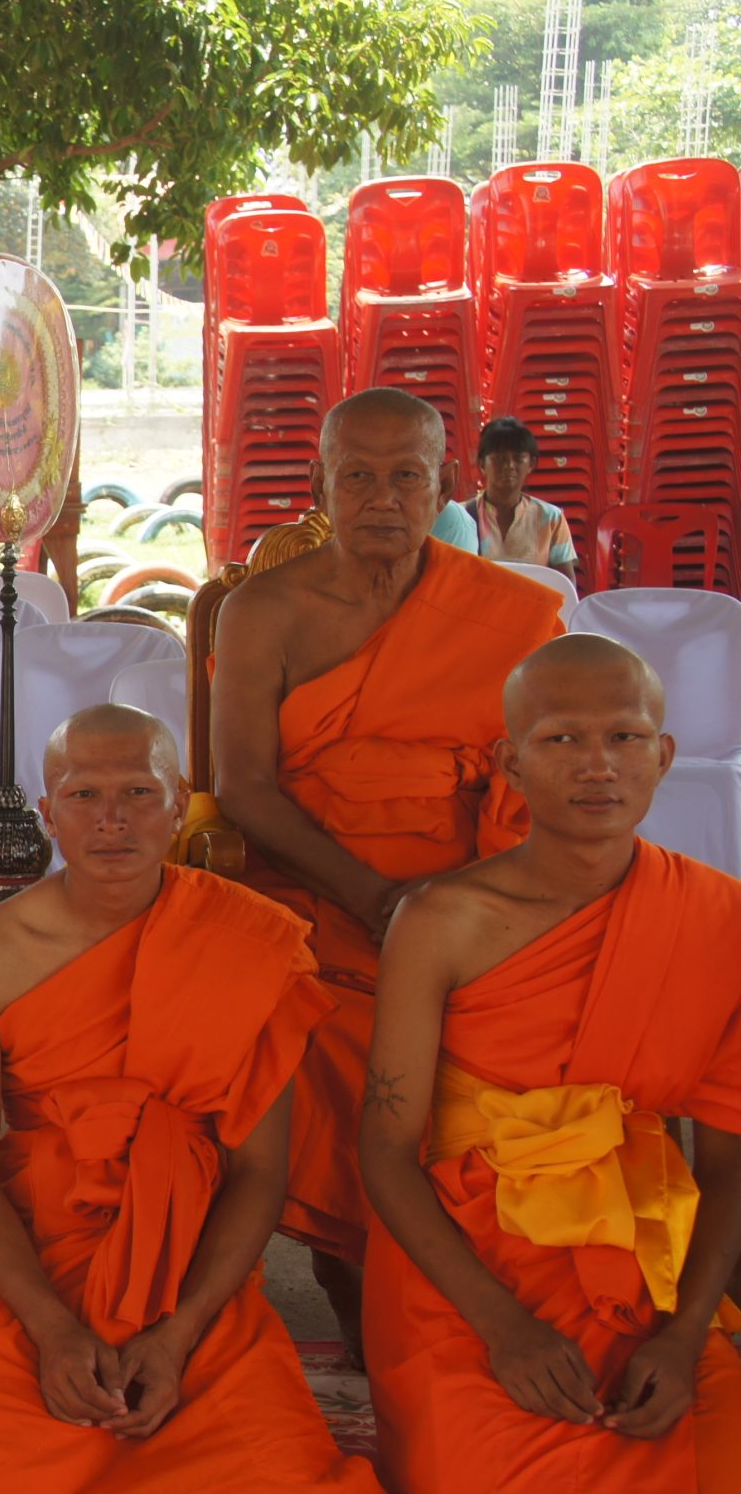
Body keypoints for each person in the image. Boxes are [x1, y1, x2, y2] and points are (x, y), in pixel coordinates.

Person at [0, 706, 395, 1494]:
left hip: (192, 1260)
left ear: (179, 803)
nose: (112, 820)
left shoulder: (251, 941)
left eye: (139, 793)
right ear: (47, 808)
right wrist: (53, 1330)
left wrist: (178, 1337)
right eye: (85, 795)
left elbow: (261, 1171)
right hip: (41, 1251)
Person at [363, 635, 741, 1494]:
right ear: (510, 761)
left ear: (663, 757)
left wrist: (686, 1330)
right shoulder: (442, 920)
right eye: (561, 737)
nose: (596, 764)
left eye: (623, 737)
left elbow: (728, 1165)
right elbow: (386, 1154)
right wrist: (502, 1327)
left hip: (634, 1266)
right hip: (468, 1274)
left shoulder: (713, 919)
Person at [208, 386, 564, 1345]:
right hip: (315, 898)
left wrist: (466, 910)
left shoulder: (510, 614)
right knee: (323, 1038)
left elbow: (544, 784)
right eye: (356, 475)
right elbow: (243, 788)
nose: (382, 497)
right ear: (320, 483)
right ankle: (369, 1299)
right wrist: (370, 897)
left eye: (407, 475)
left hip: (472, 904)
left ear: (445, 483)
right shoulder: (264, 611)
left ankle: (503, 1294)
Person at [459, 417, 578, 573]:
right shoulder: (461, 516)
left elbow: (565, 585)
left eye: (518, 458)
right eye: (499, 458)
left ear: (531, 464)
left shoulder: (551, 519)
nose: (509, 466)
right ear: (482, 463)